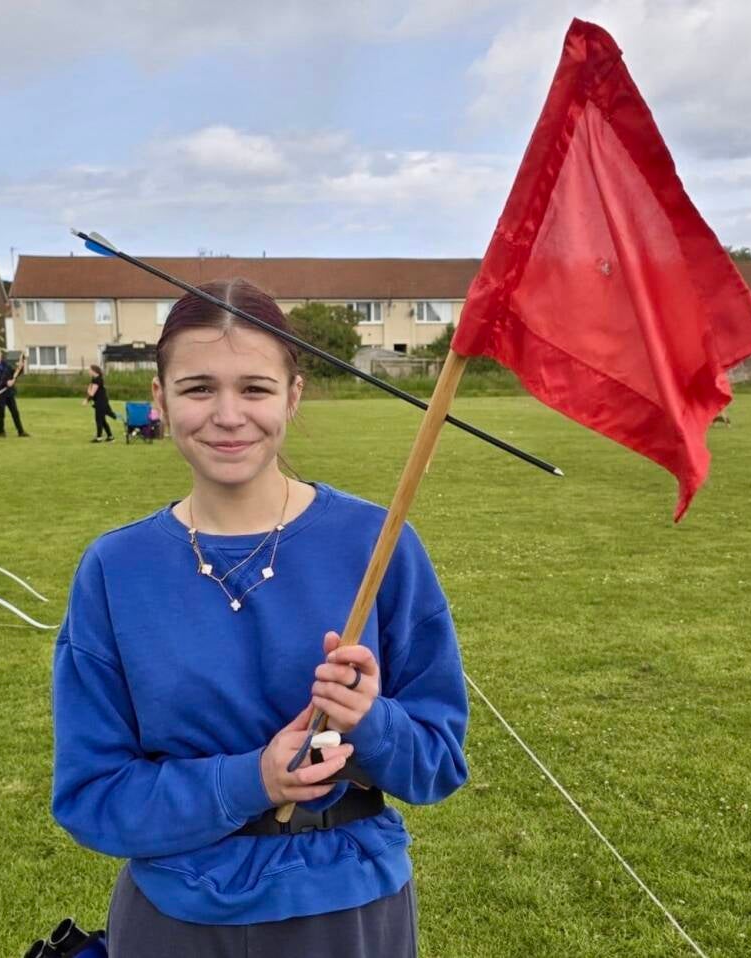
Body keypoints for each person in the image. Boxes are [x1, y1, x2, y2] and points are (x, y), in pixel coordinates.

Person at [52, 279, 468, 958]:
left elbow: (438, 765)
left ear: (292, 395)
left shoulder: (378, 543)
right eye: (197, 388)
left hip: (349, 917)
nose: (227, 415)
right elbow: (92, 796)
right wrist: (254, 780)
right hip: (176, 922)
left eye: (254, 388)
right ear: (160, 399)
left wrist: (372, 721)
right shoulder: (114, 568)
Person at [0, 349, 29, 437]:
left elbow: (14, 374)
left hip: (9, 393)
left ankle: (21, 431)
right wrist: (6, 383)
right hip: (0, 393)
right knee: (1, 413)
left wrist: (20, 367)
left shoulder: (6, 365)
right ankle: (1, 432)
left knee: (15, 412)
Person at [84, 364, 118, 442]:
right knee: (102, 420)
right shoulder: (94, 379)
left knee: (99, 420)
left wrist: (86, 400)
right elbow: (90, 391)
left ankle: (99, 438)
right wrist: (89, 392)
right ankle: (110, 437)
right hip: (99, 402)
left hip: (101, 402)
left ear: (94, 371)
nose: (88, 371)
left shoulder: (98, 380)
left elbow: (92, 393)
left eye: (89, 370)